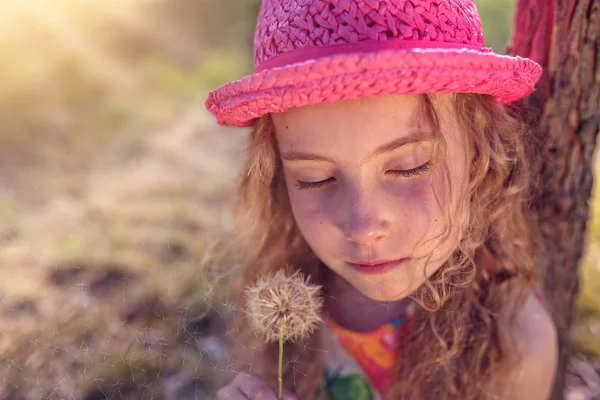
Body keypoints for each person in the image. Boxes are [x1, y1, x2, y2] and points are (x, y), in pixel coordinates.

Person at [206, 0, 558, 399]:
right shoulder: (285, 291)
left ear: (480, 155)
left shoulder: (514, 348)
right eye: (315, 178)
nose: (364, 226)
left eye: (409, 167)